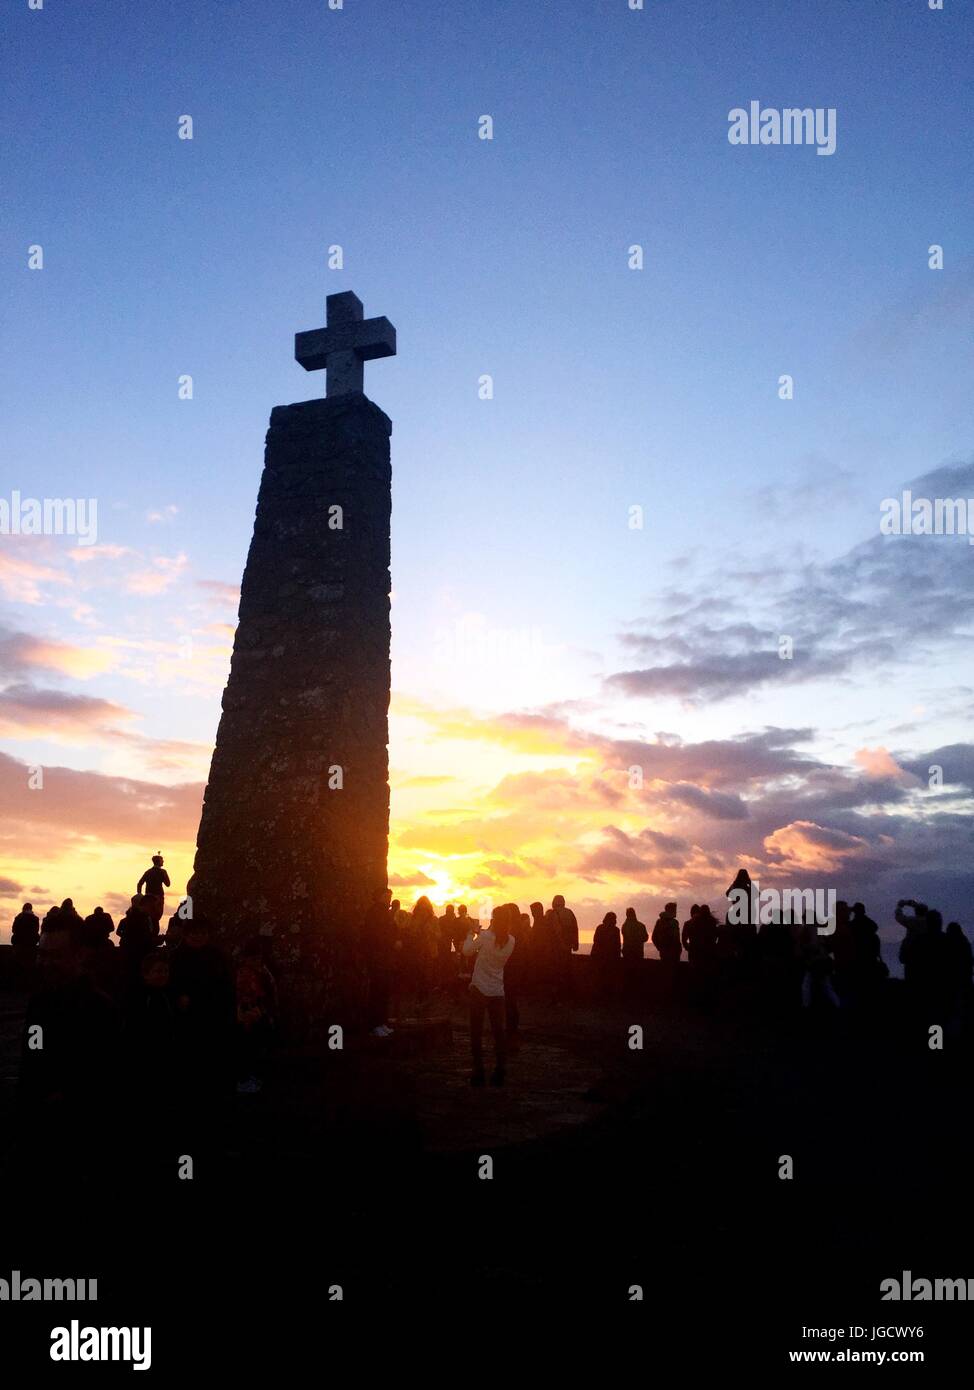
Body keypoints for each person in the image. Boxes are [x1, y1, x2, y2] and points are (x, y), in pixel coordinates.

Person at [462, 903, 515, 1086]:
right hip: (497, 991)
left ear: (493, 919)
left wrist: (472, 932)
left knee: (476, 1032)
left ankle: (478, 1071)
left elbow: (466, 950)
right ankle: (500, 1070)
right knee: (499, 1033)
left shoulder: (484, 937)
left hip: (479, 989)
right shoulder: (511, 941)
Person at [362, 887, 397, 1037]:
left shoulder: (385, 913)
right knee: (377, 990)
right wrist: (391, 942)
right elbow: (375, 935)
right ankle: (374, 1024)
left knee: (384, 990)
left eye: (389, 897)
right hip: (377, 956)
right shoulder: (374, 912)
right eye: (386, 896)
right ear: (380, 896)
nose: (388, 899)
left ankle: (382, 1022)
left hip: (385, 956)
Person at [137, 853, 171, 934]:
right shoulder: (162, 871)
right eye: (162, 860)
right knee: (156, 918)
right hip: (158, 897)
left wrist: (139, 895)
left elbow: (139, 884)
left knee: (149, 917)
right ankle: (154, 935)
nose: (163, 862)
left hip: (148, 897)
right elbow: (168, 884)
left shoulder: (148, 872)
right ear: (159, 861)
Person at [591, 911, 621, 996]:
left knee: (600, 976)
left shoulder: (600, 928)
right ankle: (608, 995)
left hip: (599, 956)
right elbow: (617, 945)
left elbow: (596, 940)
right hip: (610, 957)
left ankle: (600, 994)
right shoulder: (616, 930)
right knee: (609, 977)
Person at [10, 902, 40, 972]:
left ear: (23, 909)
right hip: (31, 944)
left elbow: (14, 930)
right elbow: (36, 931)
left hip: (19, 944)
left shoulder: (18, 918)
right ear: (31, 909)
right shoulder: (35, 919)